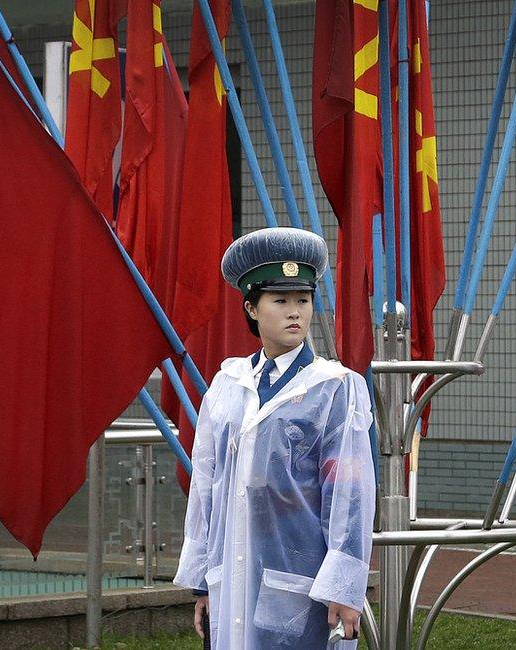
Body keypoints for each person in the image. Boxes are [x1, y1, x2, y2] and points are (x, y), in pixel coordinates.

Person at [174, 228, 376, 649]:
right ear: (252, 307)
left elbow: (349, 496)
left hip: (300, 572)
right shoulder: (228, 385)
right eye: (280, 301)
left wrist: (343, 586)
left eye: (302, 300)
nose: (294, 313)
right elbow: (206, 486)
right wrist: (201, 581)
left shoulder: (335, 387)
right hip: (229, 570)